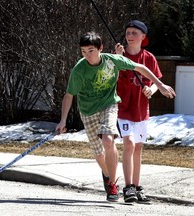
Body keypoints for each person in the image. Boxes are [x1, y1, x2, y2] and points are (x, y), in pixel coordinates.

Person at [55, 31, 175, 202]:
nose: (87, 55)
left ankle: (112, 183)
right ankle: (106, 174)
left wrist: (160, 85)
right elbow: (69, 95)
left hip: (109, 105)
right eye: (83, 51)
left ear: (100, 48)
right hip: (88, 111)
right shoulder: (79, 69)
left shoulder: (112, 61)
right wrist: (63, 120)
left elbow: (140, 68)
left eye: (91, 51)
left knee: (108, 140)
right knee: (98, 153)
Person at [115, 20, 162, 203]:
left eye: (134, 32)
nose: (130, 36)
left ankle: (137, 185)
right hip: (123, 109)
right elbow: (111, 78)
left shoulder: (148, 57)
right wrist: (118, 59)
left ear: (143, 36)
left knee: (138, 148)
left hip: (141, 110)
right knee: (129, 144)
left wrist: (152, 90)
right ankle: (128, 188)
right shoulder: (119, 55)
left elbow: (157, 81)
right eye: (128, 32)